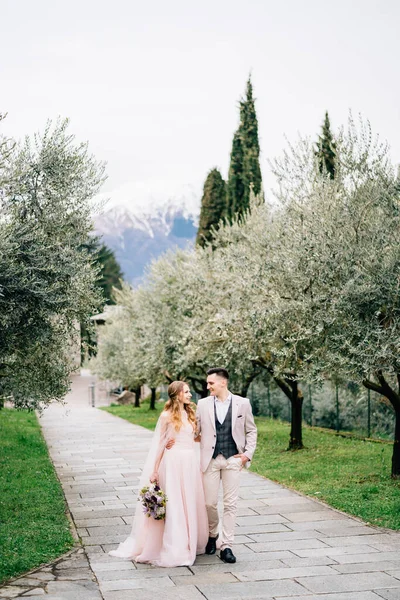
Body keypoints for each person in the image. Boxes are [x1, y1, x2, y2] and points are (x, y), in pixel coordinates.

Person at [109, 381, 208, 567]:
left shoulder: (189, 413)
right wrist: (155, 470)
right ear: (177, 394)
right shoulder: (166, 416)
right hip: (173, 463)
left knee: (189, 501)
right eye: (186, 392)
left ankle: (190, 540)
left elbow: (193, 437)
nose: (189, 394)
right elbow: (160, 444)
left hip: (190, 463)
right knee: (176, 503)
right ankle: (175, 545)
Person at [196, 367, 257, 564]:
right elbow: (195, 431)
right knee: (209, 503)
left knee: (231, 504)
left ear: (223, 382)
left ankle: (226, 545)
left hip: (233, 459)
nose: (208, 386)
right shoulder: (202, 404)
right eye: (207, 383)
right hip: (211, 460)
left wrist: (247, 455)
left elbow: (251, 430)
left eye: (211, 383)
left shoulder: (243, 403)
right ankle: (213, 534)